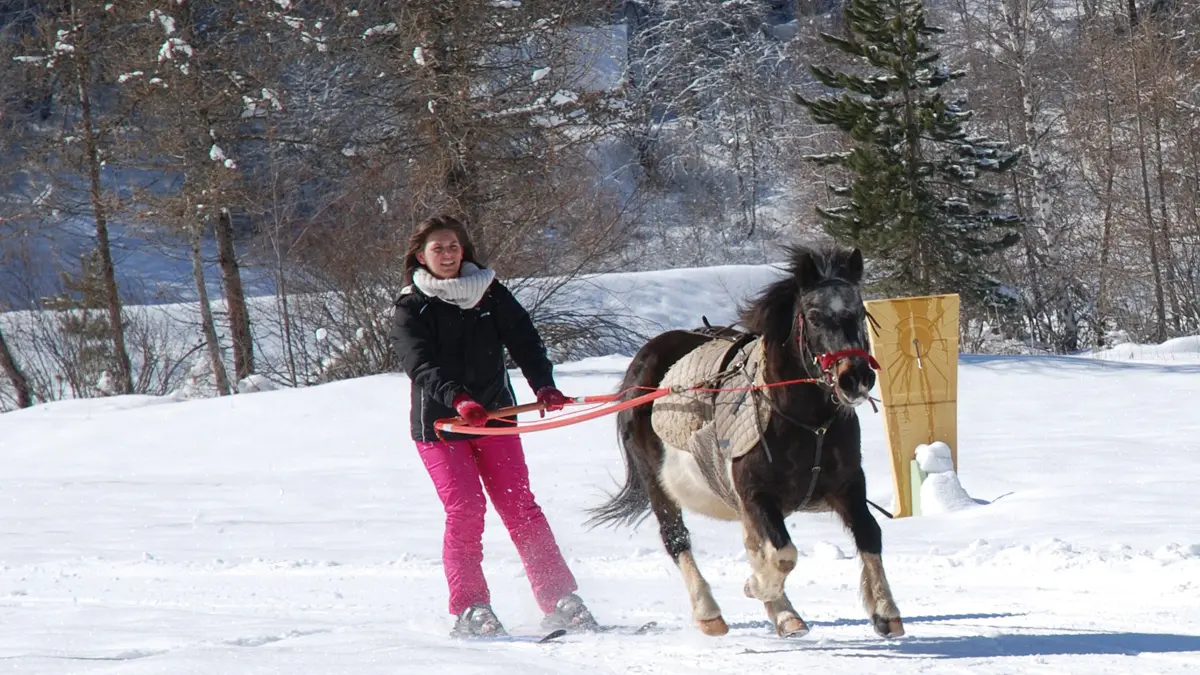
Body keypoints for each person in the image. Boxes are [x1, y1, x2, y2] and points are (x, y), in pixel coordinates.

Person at [389, 214, 598, 639]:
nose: (447, 254)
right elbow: (419, 364)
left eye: (453, 246)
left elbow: (524, 338)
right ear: (420, 256)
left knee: (520, 506)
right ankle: (470, 609)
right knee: (465, 511)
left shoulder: (489, 292)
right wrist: (458, 397)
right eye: (437, 249)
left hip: (496, 418)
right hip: (442, 426)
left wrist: (544, 385)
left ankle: (559, 599)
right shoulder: (412, 306)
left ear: (463, 249)